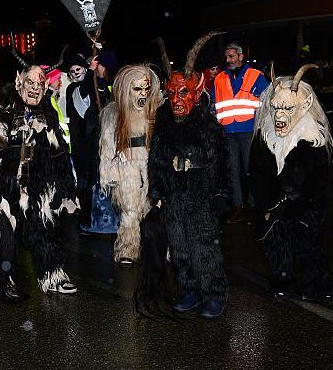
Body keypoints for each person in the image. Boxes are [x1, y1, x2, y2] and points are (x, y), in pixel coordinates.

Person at [136, 32, 230, 319]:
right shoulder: (164, 122)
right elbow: (156, 159)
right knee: (178, 247)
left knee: (204, 247)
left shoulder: (207, 125)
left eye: (184, 93)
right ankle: (189, 289)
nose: (177, 99)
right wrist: (156, 192)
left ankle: (212, 294)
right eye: (173, 93)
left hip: (200, 195)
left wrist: (220, 194)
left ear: (197, 92)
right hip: (174, 196)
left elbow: (220, 162)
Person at [0, 48, 79, 304]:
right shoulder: (3, 113)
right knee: (0, 235)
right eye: (30, 82)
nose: (35, 88)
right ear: (19, 81)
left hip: (37, 186)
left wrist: (67, 191)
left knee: (45, 228)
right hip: (7, 188)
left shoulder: (49, 116)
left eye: (40, 84)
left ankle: (53, 276)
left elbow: (60, 154)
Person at [250, 64, 333, 305]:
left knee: (311, 245)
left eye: (288, 108)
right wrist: (269, 203)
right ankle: (281, 281)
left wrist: (306, 201)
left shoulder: (316, 139)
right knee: (277, 243)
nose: (279, 115)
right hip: (276, 206)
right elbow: (257, 173)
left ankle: (316, 284)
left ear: (305, 105)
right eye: (276, 107)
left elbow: (326, 178)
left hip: (306, 206)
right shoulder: (263, 138)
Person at [99, 64, 162, 265]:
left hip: (151, 161)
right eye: (137, 89)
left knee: (155, 206)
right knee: (130, 208)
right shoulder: (114, 113)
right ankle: (128, 248)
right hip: (126, 163)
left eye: (146, 89)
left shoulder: (157, 110)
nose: (143, 94)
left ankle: (161, 248)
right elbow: (108, 144)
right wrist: (110, 173)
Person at [211, 42, 269, 225]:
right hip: (227, 132)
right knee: (233, 171)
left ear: (241, 56)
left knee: (250, 169)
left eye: (232, 56)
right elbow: (213, 103)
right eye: (226, 57)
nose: (228, 60)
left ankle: (253, 206)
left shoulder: (256, 76)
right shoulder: (219, 78)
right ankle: (238, 207)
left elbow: (267, 101)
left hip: (249, 130)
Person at [65, 52, 115, 233]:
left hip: (99, 142)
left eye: (78, 69)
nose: (75, 73)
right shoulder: (73, 89)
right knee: (86, 181)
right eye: (72, 71)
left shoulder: (97, 83)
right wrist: (91, 72)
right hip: (82, 145)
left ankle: (106, 219)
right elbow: (83, 93)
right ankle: (88, 219)